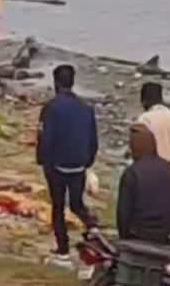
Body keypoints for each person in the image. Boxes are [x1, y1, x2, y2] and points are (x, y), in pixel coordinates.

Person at [37, 64, 98, 266]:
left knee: (58, 207)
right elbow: (93, 140)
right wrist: (87, 161)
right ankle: (92, 228)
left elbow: (46, 138)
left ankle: (63, 249)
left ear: (56, 83)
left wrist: (43, 160)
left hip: (57, 165)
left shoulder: (51, 108)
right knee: (77, 203)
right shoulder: (86, 109)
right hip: (79, 164)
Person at [116, 123, 170, 244]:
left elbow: (123, 215)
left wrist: (125, 240)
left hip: (138, 237)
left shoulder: (132, 173)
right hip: (167, 237)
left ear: (134, 149)